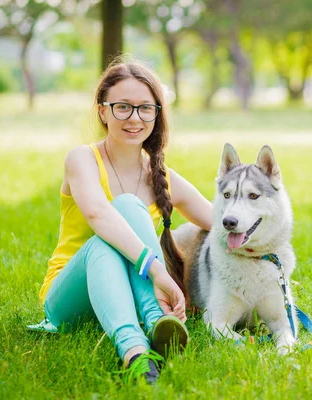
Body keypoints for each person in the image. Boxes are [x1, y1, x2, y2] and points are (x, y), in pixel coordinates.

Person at [35, 59, 213, 384]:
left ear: (157, 114)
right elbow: (97, 215)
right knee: (114, 227)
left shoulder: (162, 177)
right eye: (122, 107)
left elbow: (221, 221)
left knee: (130, 208)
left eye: (145, 108)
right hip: (70, 298)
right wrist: (158, 270)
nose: (134, 118)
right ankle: (137, 344)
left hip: (124, 297)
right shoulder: (82, 159)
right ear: (103, 111)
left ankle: (151, 345)